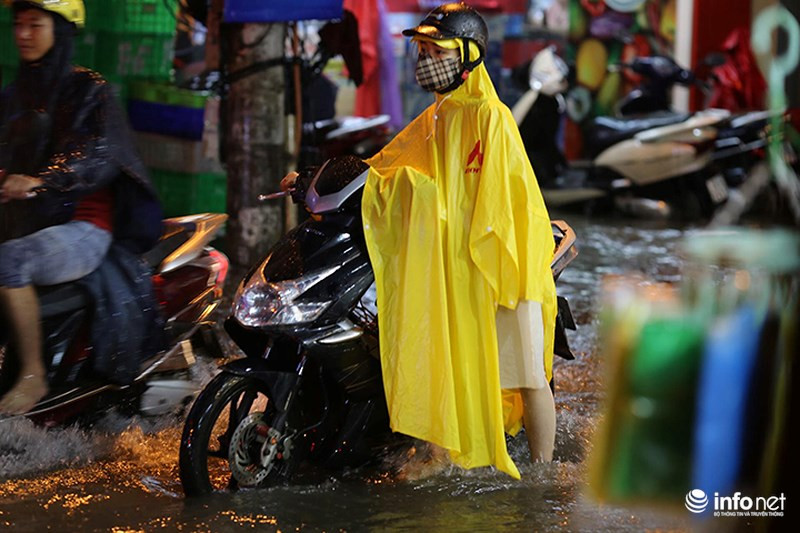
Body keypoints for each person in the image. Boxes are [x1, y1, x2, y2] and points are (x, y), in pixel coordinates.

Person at [283, 2, 557, 478]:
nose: (425, 59)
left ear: (470, 55)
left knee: (528, 374)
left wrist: (418, 195)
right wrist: (319, 177)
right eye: (422, 49)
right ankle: (441, 450)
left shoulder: (492, 118)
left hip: (506, 262)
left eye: (436, 49)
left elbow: (490, 204)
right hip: (462, 263)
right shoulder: (436, 117)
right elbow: (386, 167)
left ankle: (544, 473)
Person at [0, 0, 161, 415]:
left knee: (9, 261)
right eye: (18, 25)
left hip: (82, 226)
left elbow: (97, 153)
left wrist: (45, 179)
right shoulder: (14, 94)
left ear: (62, 29)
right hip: (26, 220)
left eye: (35, 24)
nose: (23, 34)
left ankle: (33, 377)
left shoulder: (90, 90)